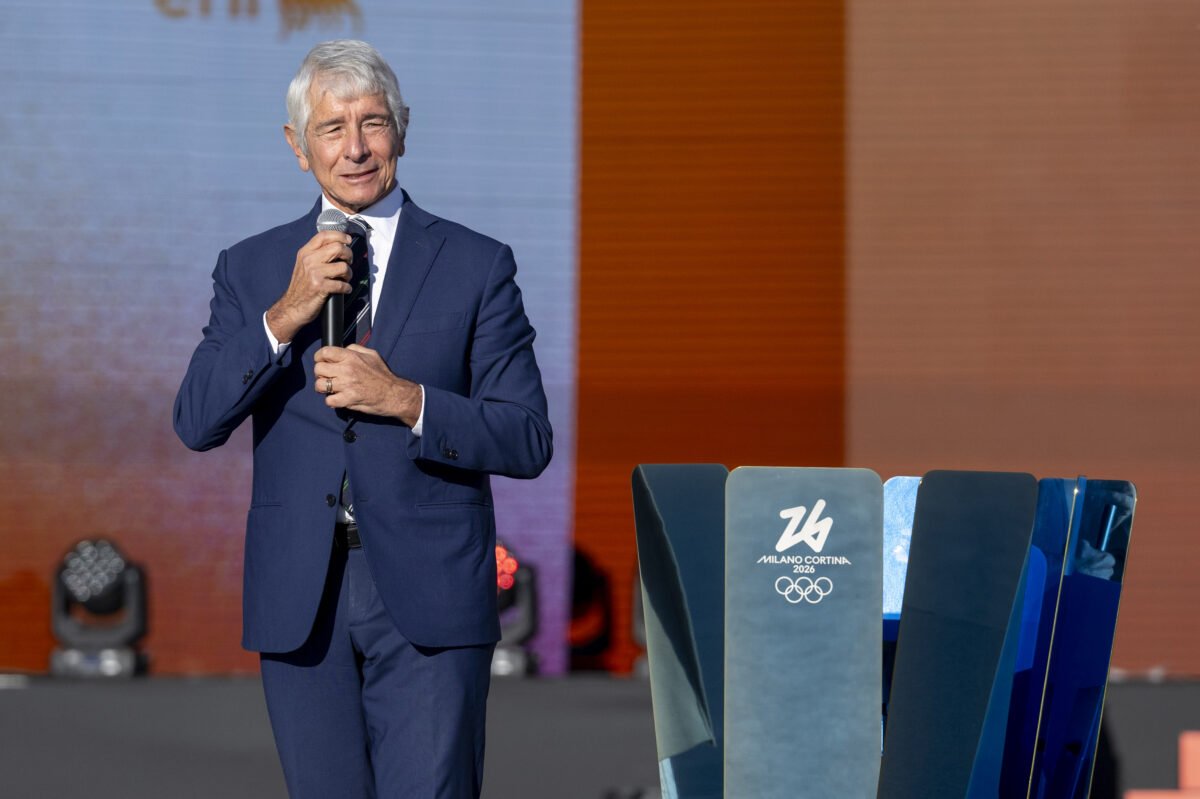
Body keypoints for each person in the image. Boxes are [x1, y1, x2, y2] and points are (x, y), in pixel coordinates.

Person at [173, 39, 552, 798]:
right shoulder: (250, 267)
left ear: (402, 129)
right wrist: (284, 314)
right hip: (301, 597)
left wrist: (406, 400)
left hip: (430, 595)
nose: (354, 148)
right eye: (331, 128)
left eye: (372, 123)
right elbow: (196, 420)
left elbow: (527, 435)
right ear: (297, 146)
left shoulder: (476, 264)